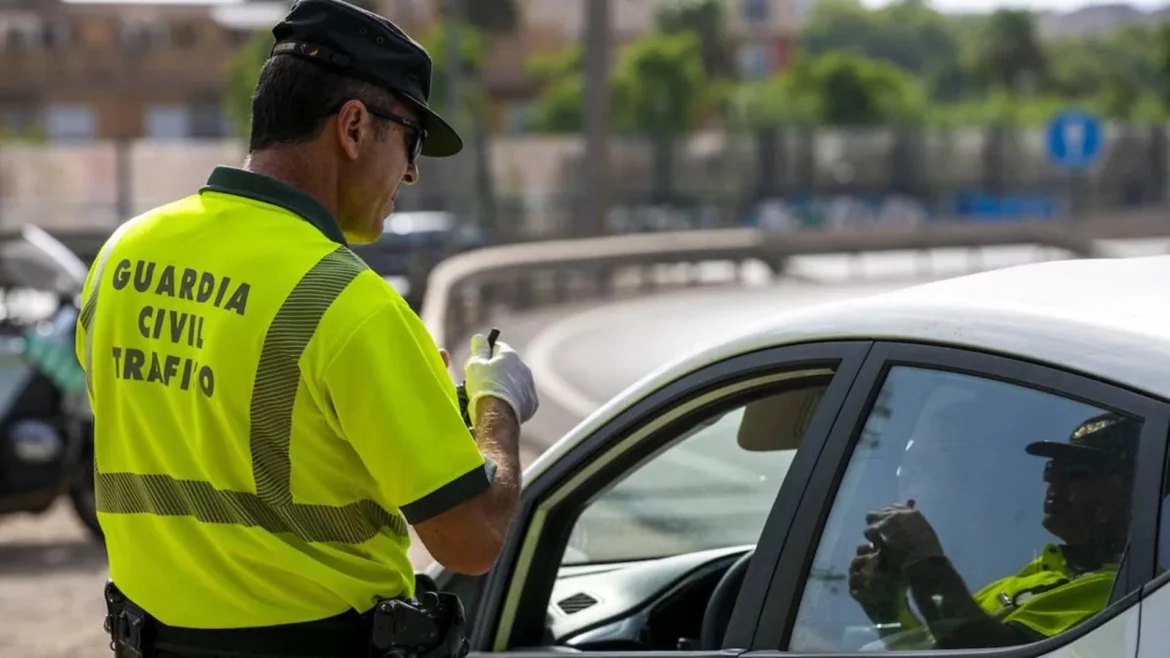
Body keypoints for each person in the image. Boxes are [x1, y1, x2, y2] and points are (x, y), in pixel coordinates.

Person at [75, 1, 539, 656]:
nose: (410, 171)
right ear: (353, 127)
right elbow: (471, 541)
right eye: (410, 141)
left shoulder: (121, 255)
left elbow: (196, 426)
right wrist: (499, 406)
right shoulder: (350, 304)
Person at [849, 411, 1138, 650]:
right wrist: (888, 610)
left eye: (1077, 473)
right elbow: (942, 651)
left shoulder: (1121, 589)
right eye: (1052, 471)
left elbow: (984, 650)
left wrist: (923, 559)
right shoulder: (1038, 573)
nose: (1054, 486)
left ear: (1130, 492)